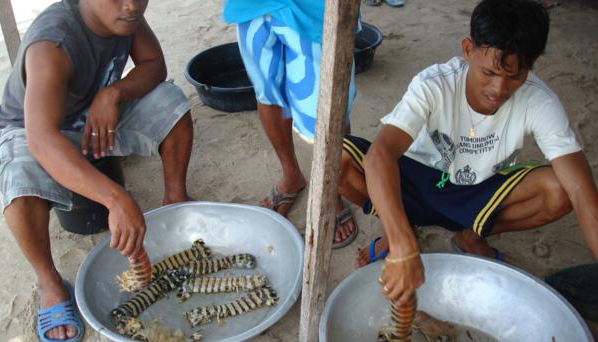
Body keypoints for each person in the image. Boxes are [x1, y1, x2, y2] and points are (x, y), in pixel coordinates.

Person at [338, 0, 598, 306]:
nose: (499, 89)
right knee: (337, 161)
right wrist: (401, 245)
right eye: (489, 72)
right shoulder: (433, 84)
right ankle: (401, 229)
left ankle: (470, 234)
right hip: (417, 181)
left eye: (515, 76)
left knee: (559, 191)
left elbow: (581, 190)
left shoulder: (539, 101)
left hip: (477, 191)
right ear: (467, 50)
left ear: (531, 64)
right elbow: (381, 155)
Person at [0, 0, 193, 342]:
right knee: (19, 183)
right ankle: (49, 281)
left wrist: (114, 92)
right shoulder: (52, 44)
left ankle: (175, 201)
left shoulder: (126, 15)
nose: (132, 5)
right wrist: (116, 198)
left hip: (95, 117)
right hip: (35, 130)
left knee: (171, 102)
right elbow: (41, 139)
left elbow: (154, 65)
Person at [221, 0, 359, 248]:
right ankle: (291, 174)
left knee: (330, 103)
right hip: (249, 6)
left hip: (316, 9)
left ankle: (333, 191)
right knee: (266, 91)